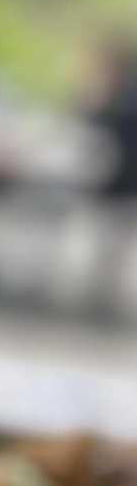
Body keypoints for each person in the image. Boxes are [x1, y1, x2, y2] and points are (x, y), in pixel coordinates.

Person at [81, 35, 137, 317]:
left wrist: (95, 100)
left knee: (113, 243)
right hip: (116, 181)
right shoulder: (121, 94)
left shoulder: (127, 97)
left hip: (124, 183)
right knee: (109, 244)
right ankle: (102, 296)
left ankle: (104, 301)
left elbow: (102, 118)